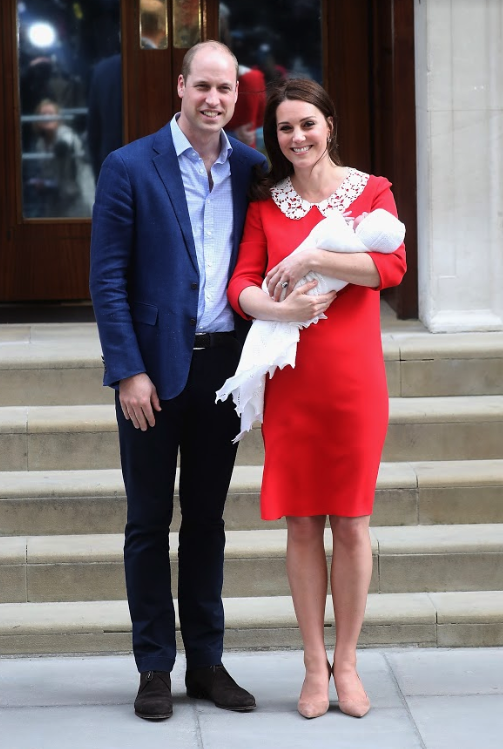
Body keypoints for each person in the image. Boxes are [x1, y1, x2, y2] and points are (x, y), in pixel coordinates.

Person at [89, 40, 266, 721]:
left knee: (207, 521)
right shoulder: (130, 165)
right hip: (151, 376)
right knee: (146, 521)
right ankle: (153, 665)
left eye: (224, 89)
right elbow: (107, 279)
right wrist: (127, 369)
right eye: (203, 86)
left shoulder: (251, 167)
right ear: (180, 87)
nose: (213, 99)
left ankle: (207, 662)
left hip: (223, 370)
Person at [227, 79, 406, 719]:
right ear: (274, 138)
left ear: (329, 123)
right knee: (303, 523)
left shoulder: (371, 191)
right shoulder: (264, 206)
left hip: (354, 382)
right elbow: (241, 286)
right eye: (284, 129)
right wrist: (284, 304)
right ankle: (312, 666)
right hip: (293, 384)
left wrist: (310, 257)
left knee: (353, 523)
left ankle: (349, 664)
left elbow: (390, 268)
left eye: (307, 124)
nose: (297, 138)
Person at [25, 98, 94, 217]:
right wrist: (42, 183)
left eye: (51, 114)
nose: (47, 118)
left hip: (78, 197)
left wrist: (61, 147)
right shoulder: (40, 144)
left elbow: (66, 142)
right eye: (43, 114)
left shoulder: (65, 133)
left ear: (58, 118)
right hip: (56, 199)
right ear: (38, 121)